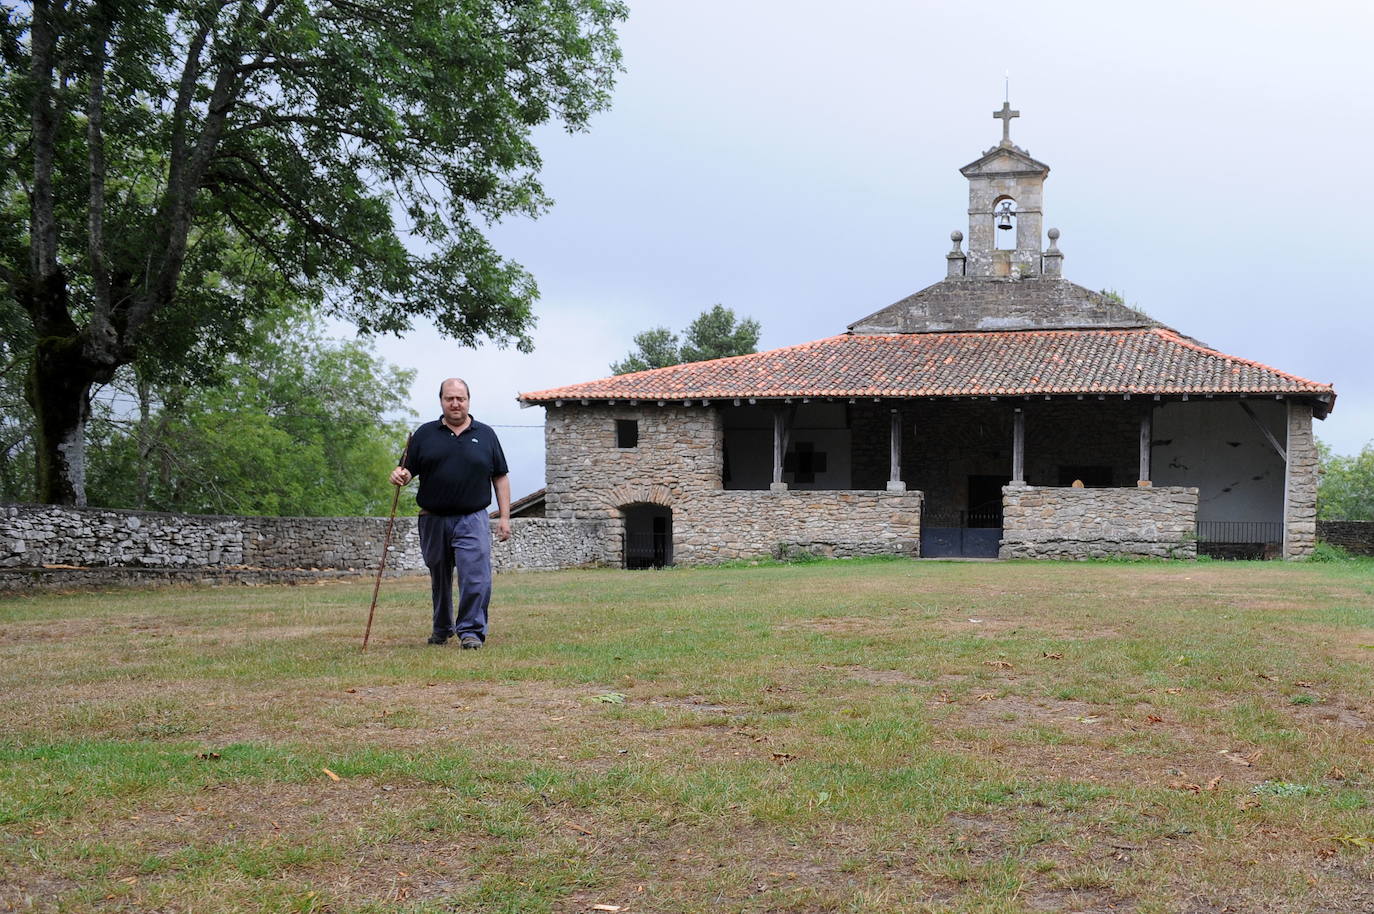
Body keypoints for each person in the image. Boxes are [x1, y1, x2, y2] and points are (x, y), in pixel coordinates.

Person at [390, 378, 511, 648]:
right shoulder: (424, 434)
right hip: (432, 518)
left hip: (473, 518)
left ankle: (470, 632)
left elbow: (500, 477)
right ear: (441, 401)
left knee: (476, 576)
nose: (455, 403)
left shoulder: (487, 434)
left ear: (468, 400)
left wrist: (504, 517)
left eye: (460, 398)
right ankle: (442, 628)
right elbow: (407, 471)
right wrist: (400, 475)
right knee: (439, 576)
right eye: (449, 398)